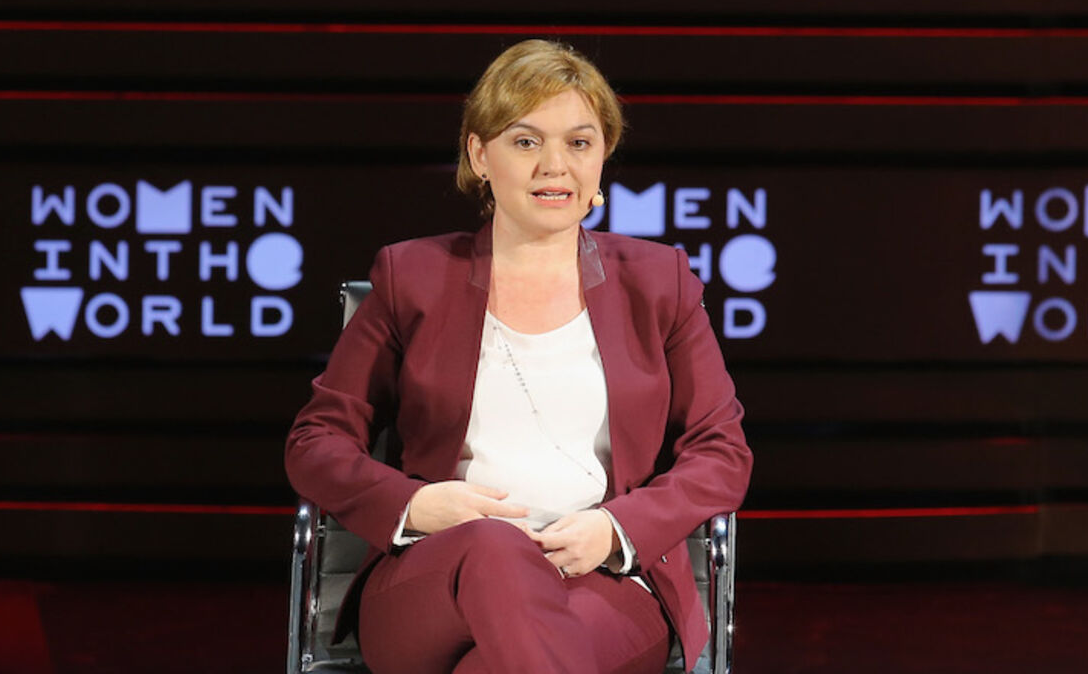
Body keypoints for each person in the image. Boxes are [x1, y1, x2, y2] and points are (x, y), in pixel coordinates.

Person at [285, 39, 752, 674]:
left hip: (603, 579)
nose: (555, 166)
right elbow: (316, 441)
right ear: (480, 155)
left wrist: (617, 529)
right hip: (439, 571)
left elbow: (721, 451)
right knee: (494, 549)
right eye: (526, 141)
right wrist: (416, 506)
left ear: (603, 156)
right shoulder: (412, 277)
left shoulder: (657, 282)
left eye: (579, 143)